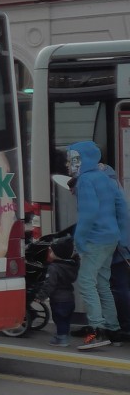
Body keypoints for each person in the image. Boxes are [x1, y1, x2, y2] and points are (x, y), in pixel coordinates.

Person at [67, 141, 130, 350]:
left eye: (73, 159)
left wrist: (79, 240)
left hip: (95, 239)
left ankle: (97, 330)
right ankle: (113, 328)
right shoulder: (105, 177)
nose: (70, 164)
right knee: (103, 283)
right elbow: (122, 207)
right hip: (111, 238)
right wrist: (124, 238)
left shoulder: (85, 180)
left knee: (86, 282)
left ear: (82, 160)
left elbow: (89, 213)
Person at [35, 235, 80, 347]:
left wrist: (41, 296)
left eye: (52, 252)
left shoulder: (54, 268)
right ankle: (63, 335)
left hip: (59, 300)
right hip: (70, 298)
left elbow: (49, 284)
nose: (50, 254)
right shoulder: (72, 265)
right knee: (65, 320)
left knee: (59, 319)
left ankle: (62, 339)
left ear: (59, 255)